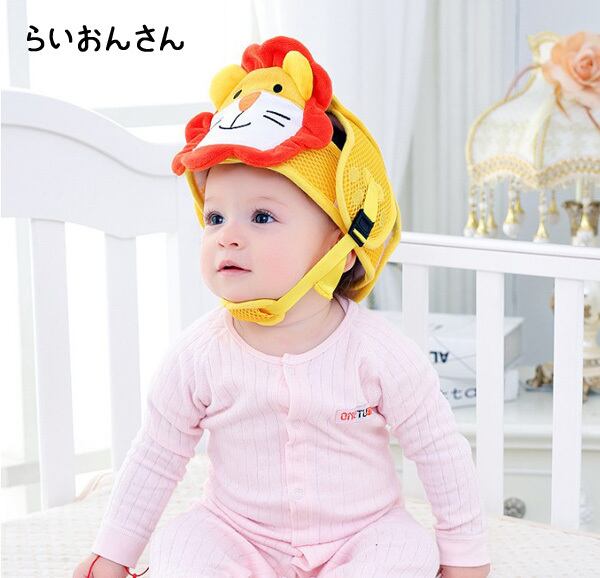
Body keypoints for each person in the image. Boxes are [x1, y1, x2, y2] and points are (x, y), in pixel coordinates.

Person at [73, 35, 491, 578]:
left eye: (262, 217)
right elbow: (157, 452)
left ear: (342, 248)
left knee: (406, 551)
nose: (227, 235)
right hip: (238, 531)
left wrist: (465, 553)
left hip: (362, 531)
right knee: (184, 544)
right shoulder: (199, 355)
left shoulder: (379, 353)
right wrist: (115, 552)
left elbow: (439, 450)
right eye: (215, 218)